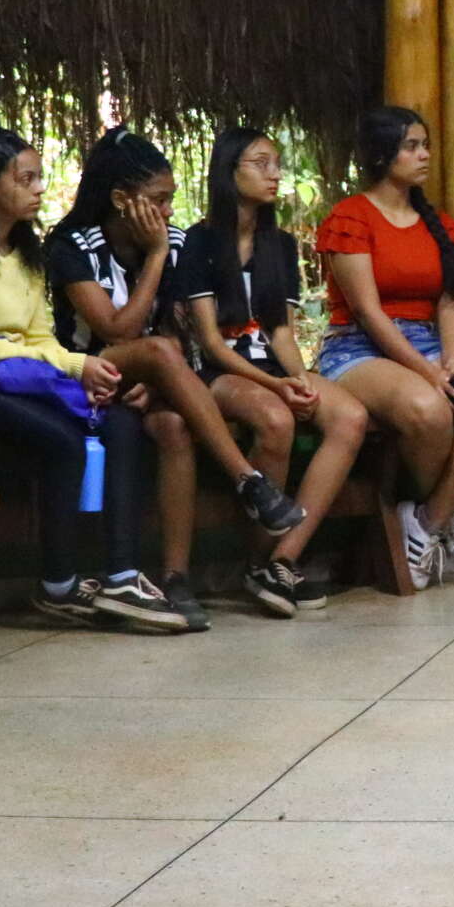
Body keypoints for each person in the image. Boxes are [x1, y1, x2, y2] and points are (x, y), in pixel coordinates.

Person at [0, 119, 183, 632]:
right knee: (61, 441)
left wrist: (81, 371)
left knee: (121, 421)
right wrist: (79, 367)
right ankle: (58, 585)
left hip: (20, 377)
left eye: (39, 178)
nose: (38, 189)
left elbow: (39, 341)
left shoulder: (28, 252)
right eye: (26, 179)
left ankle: (121, 573)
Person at [44, 127, 308, 630]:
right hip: (86, 378)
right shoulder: (73, 246)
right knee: (160, 351)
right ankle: (249, 483)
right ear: (121, 199)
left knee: (174, 427)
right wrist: (158, 256)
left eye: (171, 201)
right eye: (157, 201)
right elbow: (115, 329)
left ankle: (175, 577)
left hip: (152, 378)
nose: (167, 213)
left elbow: (177, 332)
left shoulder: (182, 242)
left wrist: (159, 379)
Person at [314, 105, 454, 588]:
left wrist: (448, 361)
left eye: (425, 144)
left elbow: (450, 303)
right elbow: (367, 313)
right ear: (383, 154)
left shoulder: (439, 225)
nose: (424, 154)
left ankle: (429, 519)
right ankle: (443, 512)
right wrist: (430, 376)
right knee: (430, 409)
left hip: (426, 342)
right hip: (357, 348)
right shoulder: (350, 218)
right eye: (412, 146)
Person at [181, 127, 366, 617]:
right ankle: (256, 560)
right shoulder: (198, 242)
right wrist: (279, 388)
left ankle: (282, 560)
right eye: (261, 163)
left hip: (269, 368)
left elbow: (281, 334)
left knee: (349, 417)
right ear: (229, 171)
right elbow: (212, 344)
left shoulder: (278, 245)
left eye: (277, 163)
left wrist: (301, 381)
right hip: (217, 374)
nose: (276, 173)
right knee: (276, 419)